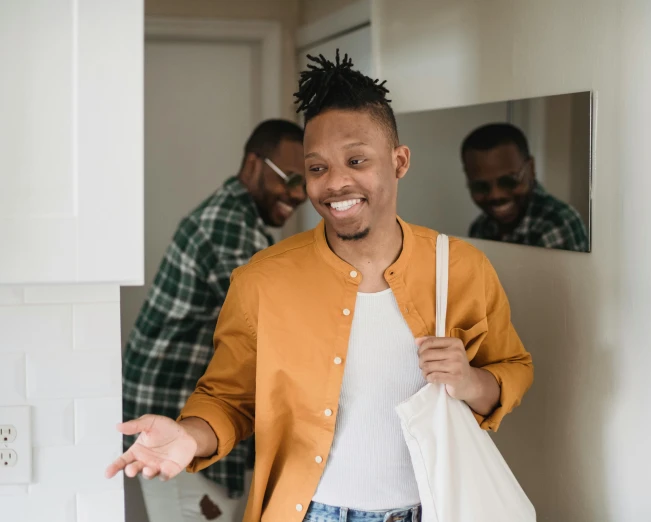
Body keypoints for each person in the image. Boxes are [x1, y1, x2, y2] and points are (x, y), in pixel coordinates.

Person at [108, 51, 534, 522]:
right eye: (316, 168)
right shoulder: (262, 280)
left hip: (430, 511)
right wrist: (190, 435)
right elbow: (229, 399)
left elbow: (511, 369)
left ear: (399, 161)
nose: (335, 183)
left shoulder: (461, 268)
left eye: (356, 160)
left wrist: (469, 380)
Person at [121, 119, 306, 522]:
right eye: (290, 178)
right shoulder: (230, 227)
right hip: (176, 407)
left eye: (306, 182)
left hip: (175, 402)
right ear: (254, 164)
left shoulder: (236, 216)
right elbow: (273, 329)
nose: (299, 194)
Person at [462, 123, 589, 252]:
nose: (495, 195)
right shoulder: (480, 227)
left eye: (508, 181)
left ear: (531, 169)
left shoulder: (557, 223)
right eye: (479, 186)